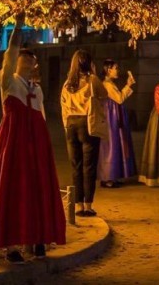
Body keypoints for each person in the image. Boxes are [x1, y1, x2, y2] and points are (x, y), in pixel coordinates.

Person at [0, 47, 65, 262]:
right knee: (12, 187)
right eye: (23, 55)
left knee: (38, 187)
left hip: (36, 143)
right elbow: (9, 58)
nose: (27, 58)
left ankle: (38, 239)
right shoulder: (8, 81)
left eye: (31, 56)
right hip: (13, 142)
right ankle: (11, 246)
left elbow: (41, 116)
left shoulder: (37, 89)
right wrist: (16, 33)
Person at [60, 50, 107, 217]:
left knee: (76, 166)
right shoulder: (92, 80)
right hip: (87, 123)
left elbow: (63, 105)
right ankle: (88, 205)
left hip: (71, 124)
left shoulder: (67, 83)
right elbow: (104, 94)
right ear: (89, 63)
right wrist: (93, 73)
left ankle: (78, 205)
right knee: (89, 166)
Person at [98, 59, 138, 187]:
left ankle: (111, 176)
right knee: (112, 146)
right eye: (115, 68)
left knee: (113, 145)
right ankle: (108, 177)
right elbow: (119, 98)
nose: (117, 70)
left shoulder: (109, 83)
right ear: (109, 70)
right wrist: (128, 85)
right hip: (111, 119)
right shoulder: (107, 84)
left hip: (113, 116)